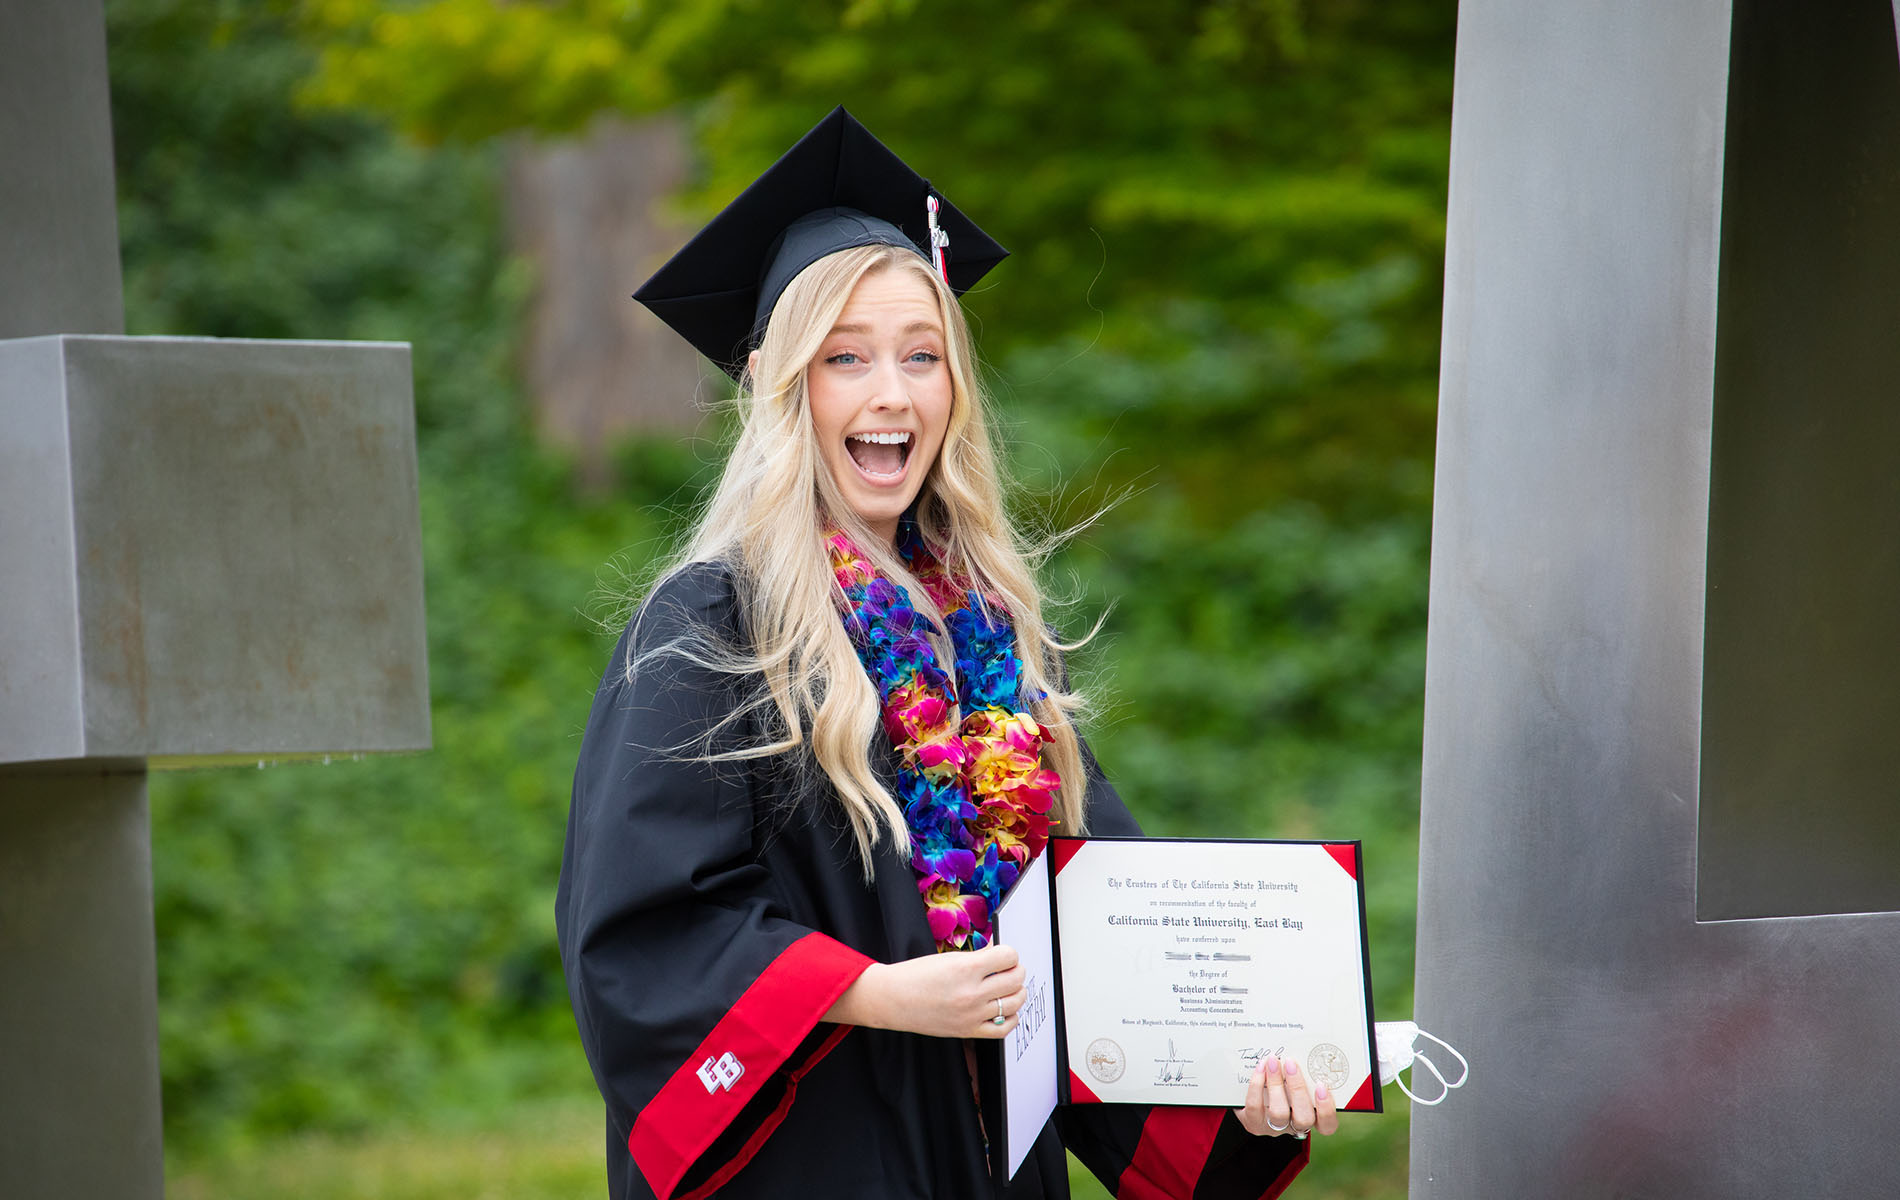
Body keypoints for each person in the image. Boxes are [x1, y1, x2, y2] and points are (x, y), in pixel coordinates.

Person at [557, 108, 1338, 1200]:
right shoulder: (717, 627)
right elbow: (644, 933)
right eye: (847, 358)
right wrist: (877, 993)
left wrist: (1236, 1082)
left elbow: (1100, 930)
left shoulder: (991, 644)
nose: (892, 392)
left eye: (922, 356)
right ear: (779, 385)